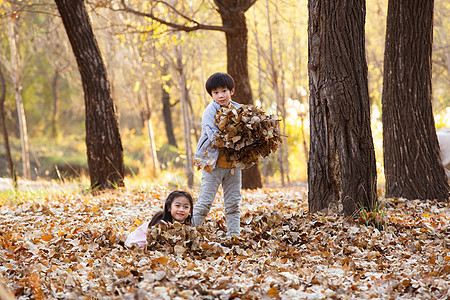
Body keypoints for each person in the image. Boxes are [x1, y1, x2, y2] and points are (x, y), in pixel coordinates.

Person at [193, 72, 243, 237]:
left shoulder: (239, 110)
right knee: (205, 202)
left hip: (233, 166)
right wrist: (235, 138)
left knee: (233, 203)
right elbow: (215, 137)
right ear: (211, 95)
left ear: (232, 91)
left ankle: (234, 235)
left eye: (224, 91)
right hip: (212, 165)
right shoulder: (209, 112)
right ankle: (190, 232)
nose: (221, 95)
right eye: (216, 93)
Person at [124, 190, 194, 247]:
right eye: (177, 206)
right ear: (169, 207)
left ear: (190, 211)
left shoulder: (188, 224)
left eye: (186, 207)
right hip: (137, 243)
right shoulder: (161, 222)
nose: (181, 209)